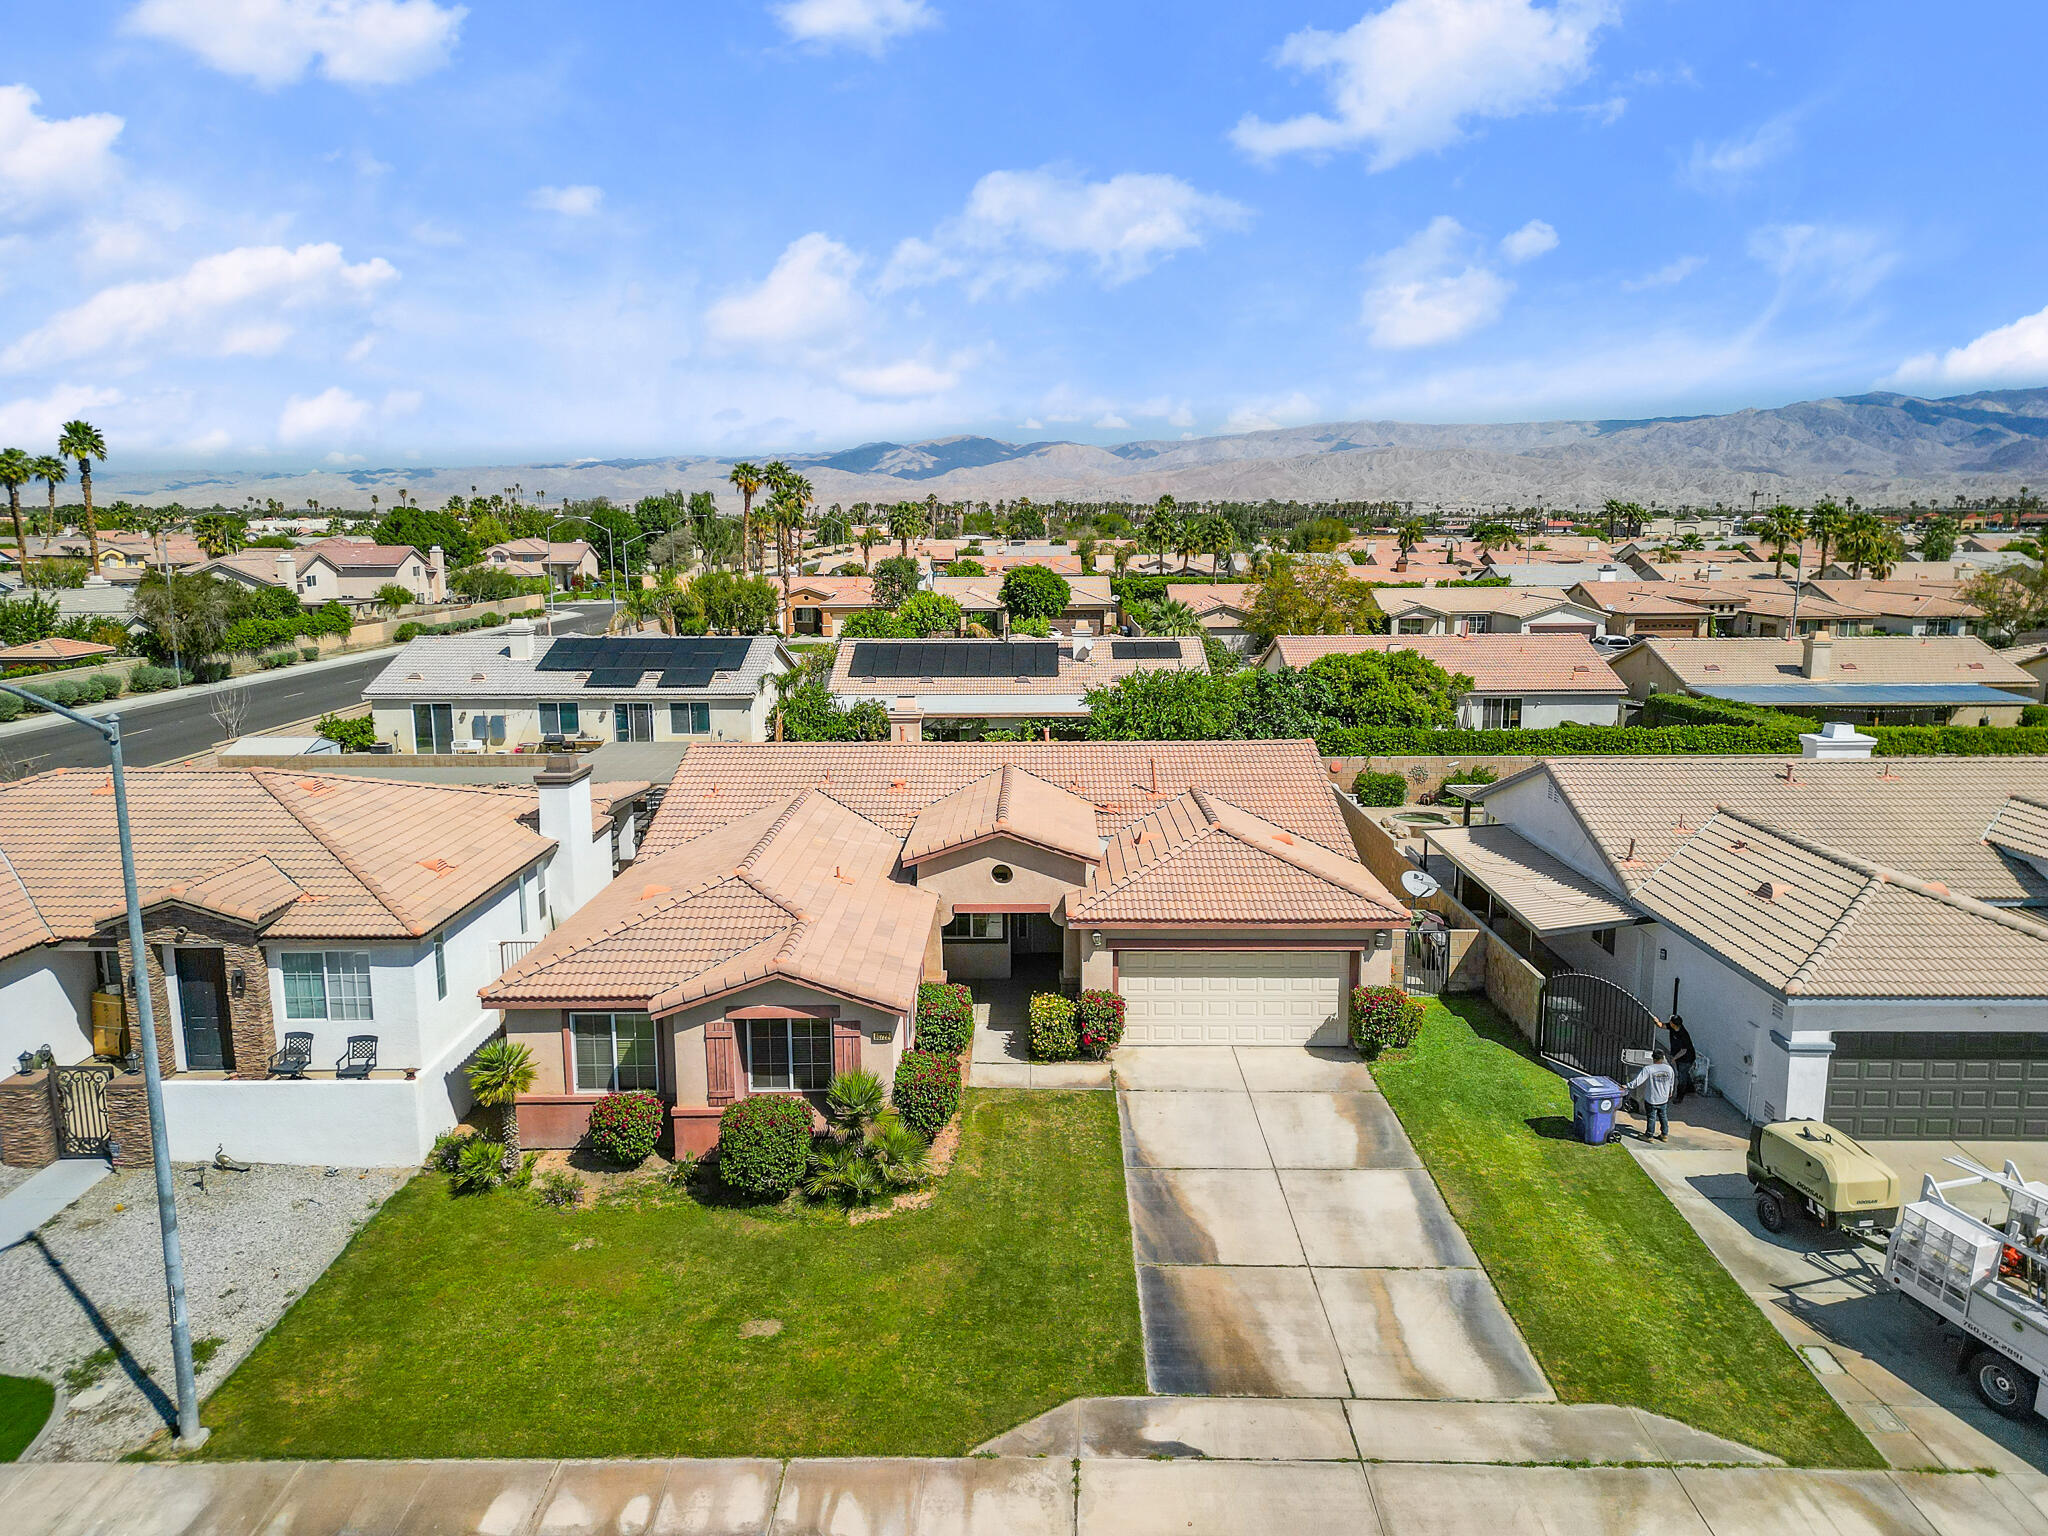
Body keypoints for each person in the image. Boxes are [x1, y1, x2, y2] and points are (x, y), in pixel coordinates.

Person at [1626, 1049, 1676, 1141]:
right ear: (1663, 1057)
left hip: (1652, 1099)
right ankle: (1664, 1135)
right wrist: (1670, 1092)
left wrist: (1627, 1086)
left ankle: (1649, 1135)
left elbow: (1638, 1081)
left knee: (1651, 1117)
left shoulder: (1649, 1069)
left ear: (1653, 1058)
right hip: (1664, 1098)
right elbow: (1671, 1082)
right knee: (1663, 1116)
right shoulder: (1669, 1069)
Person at [1664, 1016, 1696, 1103]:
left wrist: (1674, 1058)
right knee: (1684, 1073)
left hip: (1686, 1058)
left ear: (1673, 1024)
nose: (1669, 1022)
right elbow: (1662, 1025)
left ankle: (1679, 1097)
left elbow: (1683, 1050)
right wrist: (1656, 1021)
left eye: (1670, 1021)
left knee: (1682, 1076)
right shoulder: (1673, 1027)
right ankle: (1690, 1089)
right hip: (1680, 1057)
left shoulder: (1683, 1034)